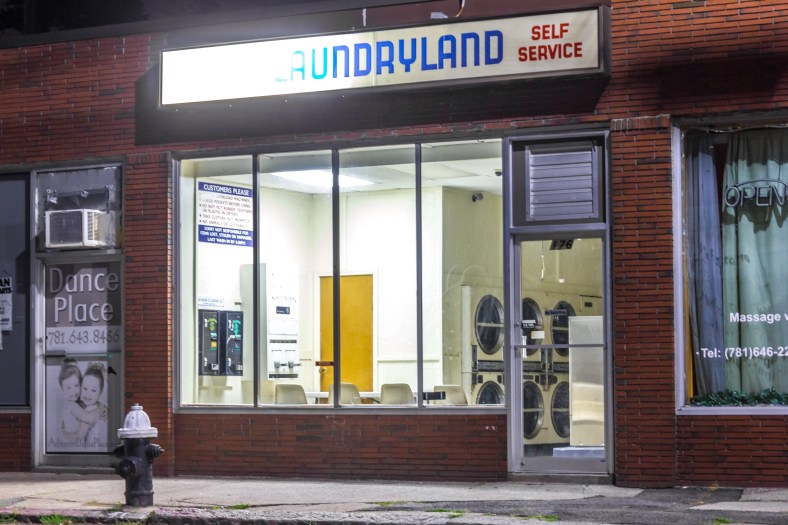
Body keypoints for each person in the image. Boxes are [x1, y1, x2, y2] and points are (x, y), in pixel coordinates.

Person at [80, 362, 108, 448]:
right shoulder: (92, 407)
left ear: (100, 392)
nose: (88, 394)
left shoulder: (91, 411)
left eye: (93, 390)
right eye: (85, 388)